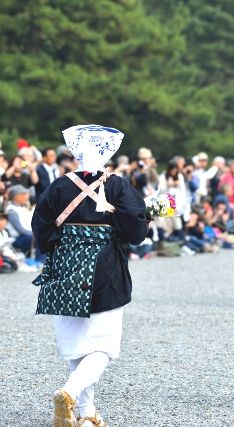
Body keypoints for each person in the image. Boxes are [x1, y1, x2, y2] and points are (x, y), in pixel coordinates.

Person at [31, 125, 147, 427]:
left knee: (75, 343)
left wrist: (63, 246)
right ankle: (69, 393)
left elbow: (41, 227)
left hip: (65, 266)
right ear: (109, 151)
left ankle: (86, 413)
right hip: (105, 268)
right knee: (103, 345)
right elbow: (136, 232)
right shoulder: (118, 185)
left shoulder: (57, 186)